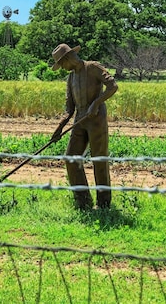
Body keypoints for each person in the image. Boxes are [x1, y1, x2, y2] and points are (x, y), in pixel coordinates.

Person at [50, 43, 118, 209]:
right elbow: (69, 108)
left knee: (99, 160)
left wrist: (96, 103)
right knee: (71, 158)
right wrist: (59, 128)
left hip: (96, 119)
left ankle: (103, 204)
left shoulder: (93, 67)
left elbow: (112, 86)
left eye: (62, 64)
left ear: (68, 59)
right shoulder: (71, 78)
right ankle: (83, 201)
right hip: (79, 121)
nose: (63, 68)